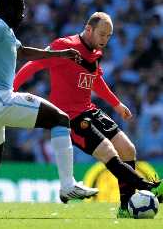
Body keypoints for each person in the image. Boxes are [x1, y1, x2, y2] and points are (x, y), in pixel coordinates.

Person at [14, 12, 163, 218]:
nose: (105, 40)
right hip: (69, 118)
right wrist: (10, 89)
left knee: (128, 149)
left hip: (90, 110)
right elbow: (33, 65)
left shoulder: (94, 53)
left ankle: (125, 207)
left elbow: (95, 80)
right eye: (102, 34)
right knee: (109, 152)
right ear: (89, 29)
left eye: (109, 36)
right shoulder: (63, 46)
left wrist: (117, 104)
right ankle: (147, 186)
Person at [0, 0, 98, 204]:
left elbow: (23, 52)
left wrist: (60, 55)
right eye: (21, 10)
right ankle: (67, 186)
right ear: (10, 10)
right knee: (60, 119)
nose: (23, 16)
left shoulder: (6, 33)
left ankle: (67, 185)